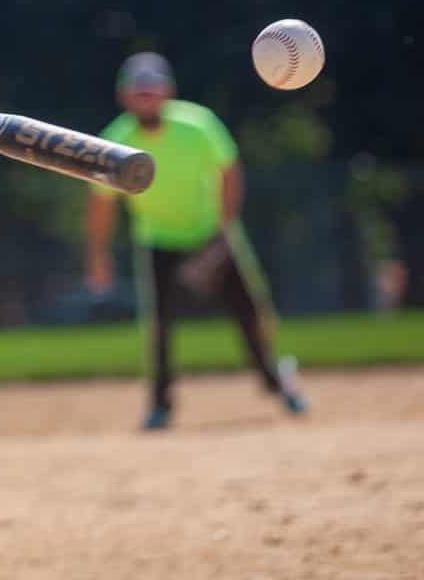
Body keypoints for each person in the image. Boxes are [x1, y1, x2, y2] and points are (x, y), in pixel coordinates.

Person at [84, 51, 307, 431]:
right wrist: (98, 256)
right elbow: (101, 204)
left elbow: (230, 171)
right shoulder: (115, 142)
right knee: (160, 326)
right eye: (139, 93)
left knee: (250, 314)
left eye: (152, 92)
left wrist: (224, 230)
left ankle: (275, 380)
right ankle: (160, 404)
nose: (146, 99)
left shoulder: (198, 124)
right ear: (125, 97)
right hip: (159, 241)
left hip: (211, 234)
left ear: (167, 92)